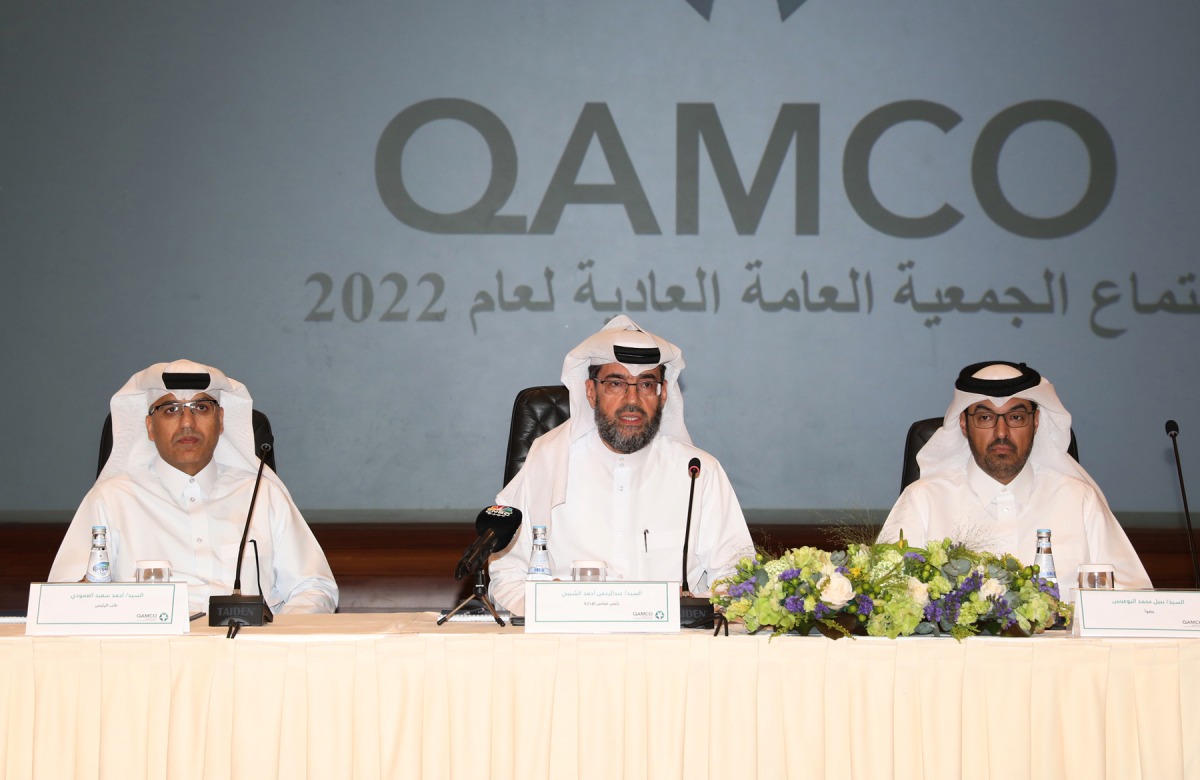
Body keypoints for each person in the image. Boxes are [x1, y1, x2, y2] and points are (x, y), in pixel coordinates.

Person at [488, 315, 754, 615]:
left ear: (663, 394)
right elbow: (507, 574)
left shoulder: (698, 471)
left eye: (646, 384)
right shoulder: (548, 460)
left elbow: (737, 577)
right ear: (591, 391)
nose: (632, 399)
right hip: (570, 647)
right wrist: (551, 610)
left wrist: (696, 611)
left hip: (671, 651)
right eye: (616, 383)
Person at [49, 359, 339, 614]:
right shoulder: (111, 499)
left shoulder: (261, 494)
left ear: (221, 420)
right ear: (149, 427)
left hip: (249, 663)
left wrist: (272, 641)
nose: (187, 423)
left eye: (201, 407)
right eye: (171, 409)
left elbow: (314, 587)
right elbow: (64, 600)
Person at [877, 360, 1151, 595]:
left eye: (1016, 417)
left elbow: (1133, 600)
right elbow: (885, 596)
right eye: (985, 417)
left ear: (1036, 421)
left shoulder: (1079, 500)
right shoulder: (923, 501)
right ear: (963, 423)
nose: (1001, 433)